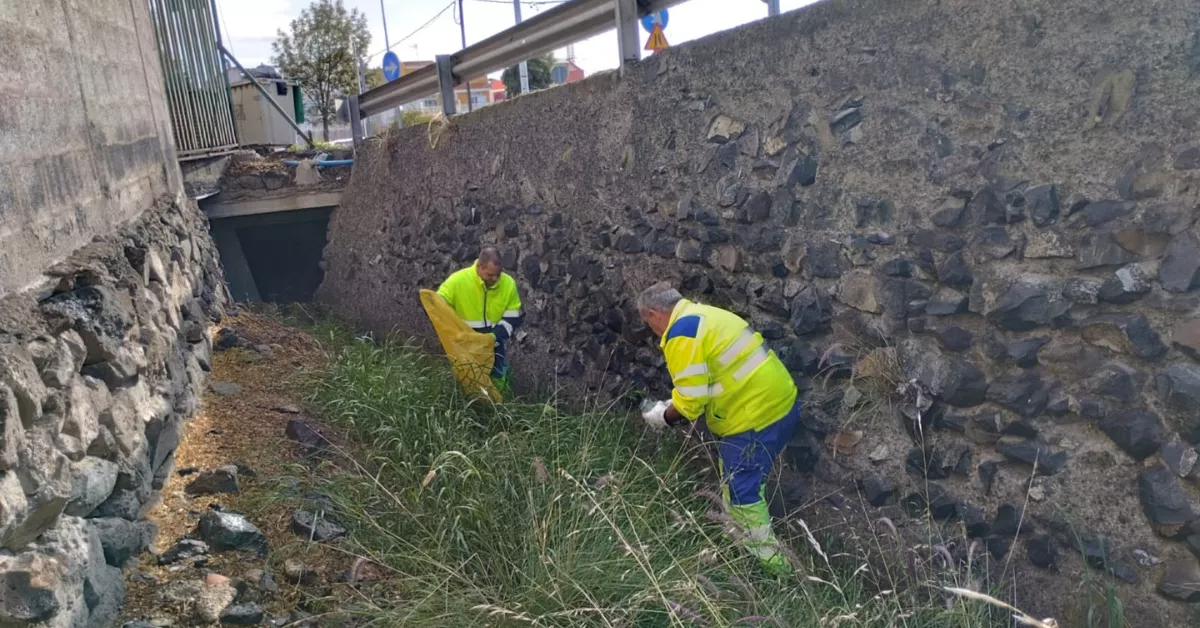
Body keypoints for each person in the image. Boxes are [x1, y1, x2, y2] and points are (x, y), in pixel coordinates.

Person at [636, 282, 801, 575]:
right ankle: (740, 541)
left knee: (742, 491)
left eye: (648, 324)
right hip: (779, 400)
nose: (653, 331)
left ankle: (776, 569)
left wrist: (662, 417)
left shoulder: (681, 335)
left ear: (654, 314)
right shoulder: (705, 316)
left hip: (753, 416)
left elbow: (689, 404)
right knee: (735, 477)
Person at [437, 248, 523, 393]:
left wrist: (494, 336)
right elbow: (439, 302)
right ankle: (470, 407)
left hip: (493, 342)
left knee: (498, 377)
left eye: (498, 274)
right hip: (465, 342)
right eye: (490, 274)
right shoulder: (458, 281)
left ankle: (498, 407)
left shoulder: (508, 284)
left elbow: (513, 317)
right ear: (479, 267)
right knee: (467, 380)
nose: (495, 279)